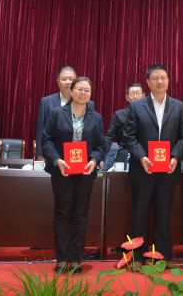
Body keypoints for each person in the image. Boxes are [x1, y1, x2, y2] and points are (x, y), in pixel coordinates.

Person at [121, 64, 183, 266]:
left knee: (163, 214)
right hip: (143, 169)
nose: (160, 81)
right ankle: (136, 256)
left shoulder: (179, 107)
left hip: (168, 170)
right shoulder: (136, 106)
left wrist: (175, 157)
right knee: (139, 213)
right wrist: (141, 156)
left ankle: (163, 256)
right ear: (148, 82)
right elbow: (129, 136)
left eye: (163, 78)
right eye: (155, 78)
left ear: (168, 81)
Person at [42, 76, 105, 273]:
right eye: (79, 89)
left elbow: (101, 146)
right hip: (62, 170)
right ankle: (62, 259)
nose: (83, 93)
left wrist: (94, 160)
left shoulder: (96, 117)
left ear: (91, 94)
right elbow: (46, 140)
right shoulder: (56, 113)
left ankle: (76, 259)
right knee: (63, 213)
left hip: (85, 172)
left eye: (87, 90)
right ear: (71, 90)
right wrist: (56, 160)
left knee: (80, 214)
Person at [35, 65, 77, 160]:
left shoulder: (86, 103)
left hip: (76, 154)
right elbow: (41, 130)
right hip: (52, 155)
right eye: (64, 79)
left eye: (71, 79)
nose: (68, 82)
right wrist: (40, 155)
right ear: (58, 82)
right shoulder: (46, 102)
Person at [102, 83, 145, 171]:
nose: (135, 96)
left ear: (143, 96)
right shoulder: (119, 115)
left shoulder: (150, 114)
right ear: (127, 97)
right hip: (124, 152)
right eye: (132, 94)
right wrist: (102, 157)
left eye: (138, 93)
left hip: (145, 152)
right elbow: (109, 137)